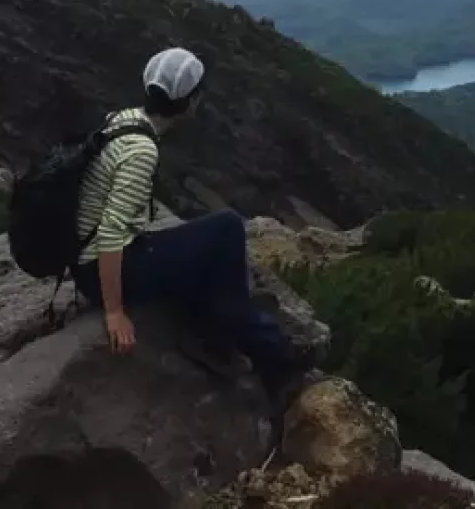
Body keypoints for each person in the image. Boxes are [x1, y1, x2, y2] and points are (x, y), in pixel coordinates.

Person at [71, 46, 315, 405]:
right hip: (103, 268)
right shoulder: (141, 151)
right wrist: (114, 312)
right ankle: (266, 354)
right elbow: (110, 232)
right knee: (226, 227)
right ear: (190, 102)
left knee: (203, 250)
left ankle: (219, 334)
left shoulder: (121, 120)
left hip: (89, 260)